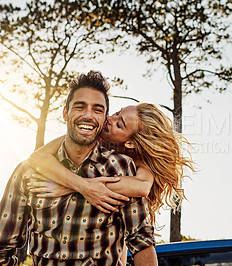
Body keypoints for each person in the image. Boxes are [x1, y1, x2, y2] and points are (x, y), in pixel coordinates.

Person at [0, 71, 157, 265]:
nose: (89, 116)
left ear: (103, 118)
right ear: (65, 113)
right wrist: (82, 186)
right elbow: (2, 246)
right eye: (80, 107)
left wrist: (71, 187)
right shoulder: (28, 173)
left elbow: (141, 239)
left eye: (98, 110)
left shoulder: (124, 167)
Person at [26, 82, 194, 263]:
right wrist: (81, 185)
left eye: (119, 124)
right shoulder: (89, 135)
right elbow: (36, 158)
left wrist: (69, 188)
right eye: (116, 113)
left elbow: (142, 186)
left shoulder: (137, 162)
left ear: (130, 143)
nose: (110, 119)